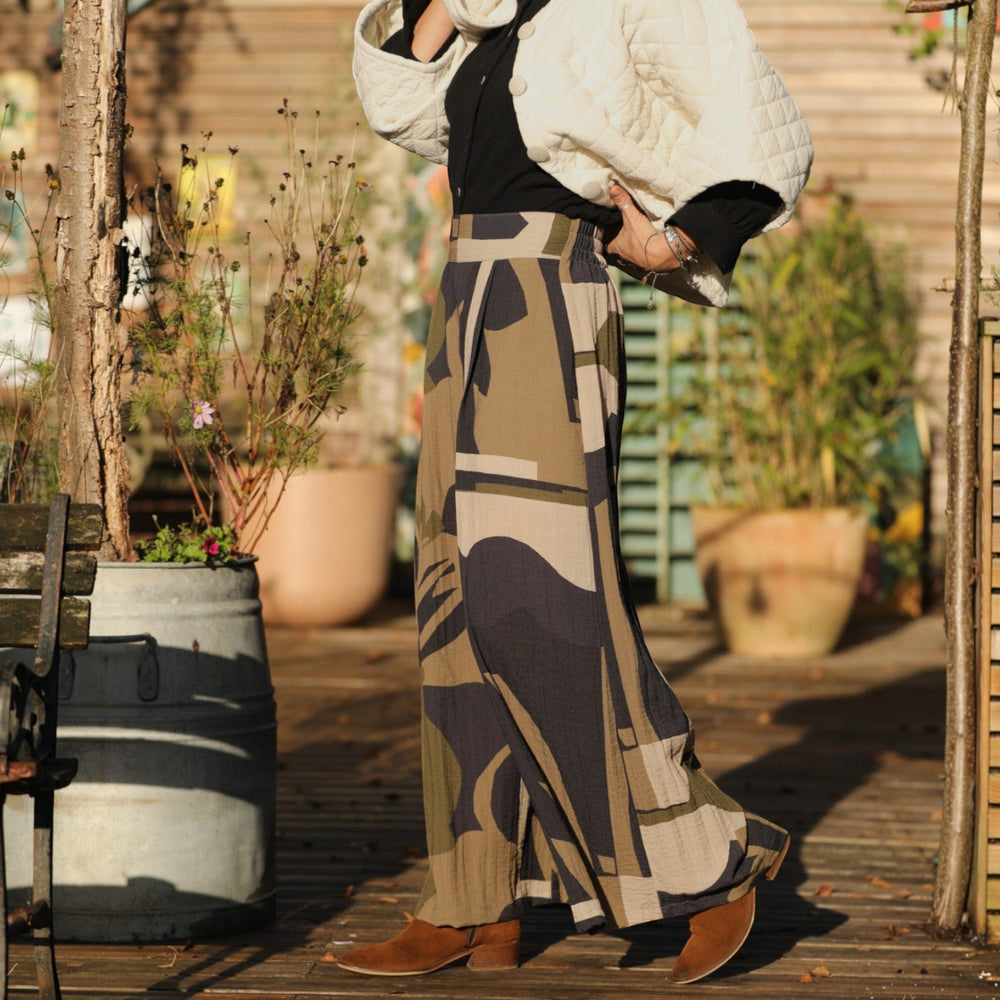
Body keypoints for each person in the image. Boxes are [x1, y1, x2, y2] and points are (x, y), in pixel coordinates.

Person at [340, 0, 812, 985]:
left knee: (536, 599)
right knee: (453, 604)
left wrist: (677, 241)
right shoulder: (491, 16)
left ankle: (709, 863)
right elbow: (405, 113)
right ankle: (474, 901)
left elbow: (765, 127)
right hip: (465, 297)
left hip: (549, 297)